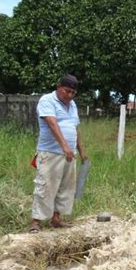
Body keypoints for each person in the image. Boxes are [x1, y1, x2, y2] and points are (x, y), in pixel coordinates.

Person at [29, 74, 87, 233]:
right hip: (50, 152)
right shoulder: (47, 100)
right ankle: (36, 222)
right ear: (58, 87)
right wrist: (64, 147)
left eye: (73, 93)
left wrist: (81, 151)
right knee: (45, 185)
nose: (70, 95)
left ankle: (56, 219)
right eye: (67, 91)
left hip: (69, 154)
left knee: (66, 187)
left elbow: (75, 128)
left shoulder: (73, 105)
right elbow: (52, 123)